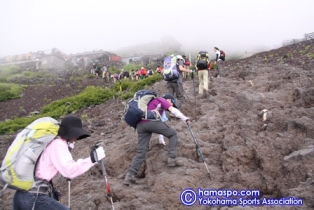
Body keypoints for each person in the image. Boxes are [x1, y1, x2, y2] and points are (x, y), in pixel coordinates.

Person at [12, 115, 106, 210]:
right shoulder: (58, 144)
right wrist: (93, 159)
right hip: (33, 197)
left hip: (21, 195)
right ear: (71, 133)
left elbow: (41, 172)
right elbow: (69, 171)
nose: (77, 137)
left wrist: (52, 193)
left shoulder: (50, 142)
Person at [124, 94, 190, 186]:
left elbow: (158, 121)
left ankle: (130, 175)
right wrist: (184, 118)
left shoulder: (150, 103)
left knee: (141, 152)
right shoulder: (161, 100)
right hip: (151, 123)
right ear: (168, 100)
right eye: (171, 103)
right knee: (173, 134)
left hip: (140, 125)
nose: (171, 105)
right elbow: (172, 111)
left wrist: (160, 137)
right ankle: (172, 159)